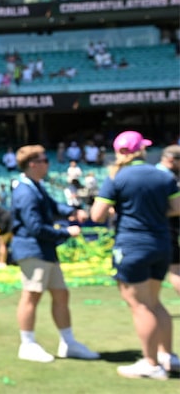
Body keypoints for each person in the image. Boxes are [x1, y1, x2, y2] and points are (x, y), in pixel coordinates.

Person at [90, 132, 180, 379]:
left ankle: (151, 364)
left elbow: (96, 215)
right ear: (140, 150)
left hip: (132, 245)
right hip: (161, 244)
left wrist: (121, 209)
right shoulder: (163, 175)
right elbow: (177, 208)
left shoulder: (118, 177)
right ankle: (168, 356)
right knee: (154, 302)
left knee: (139, 306)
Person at [9, 144, 99, 363]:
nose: (48, 164)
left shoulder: (35, 186)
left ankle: (68, 342)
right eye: (44, 160)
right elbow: (35, 227)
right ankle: (27, 344)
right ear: (33, 164)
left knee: (61, 294)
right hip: (33, 249)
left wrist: (73, 211)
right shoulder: (25, 191)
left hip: (45, 250)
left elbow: (54, 206)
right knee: (31, 295)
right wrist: (66, 232)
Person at [157, 144, 180, 298]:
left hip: (163, 227)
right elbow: (176, 208)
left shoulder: (157, 174)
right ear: (172, 160)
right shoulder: (165, 177)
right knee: (175, 268)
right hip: (165, 227)